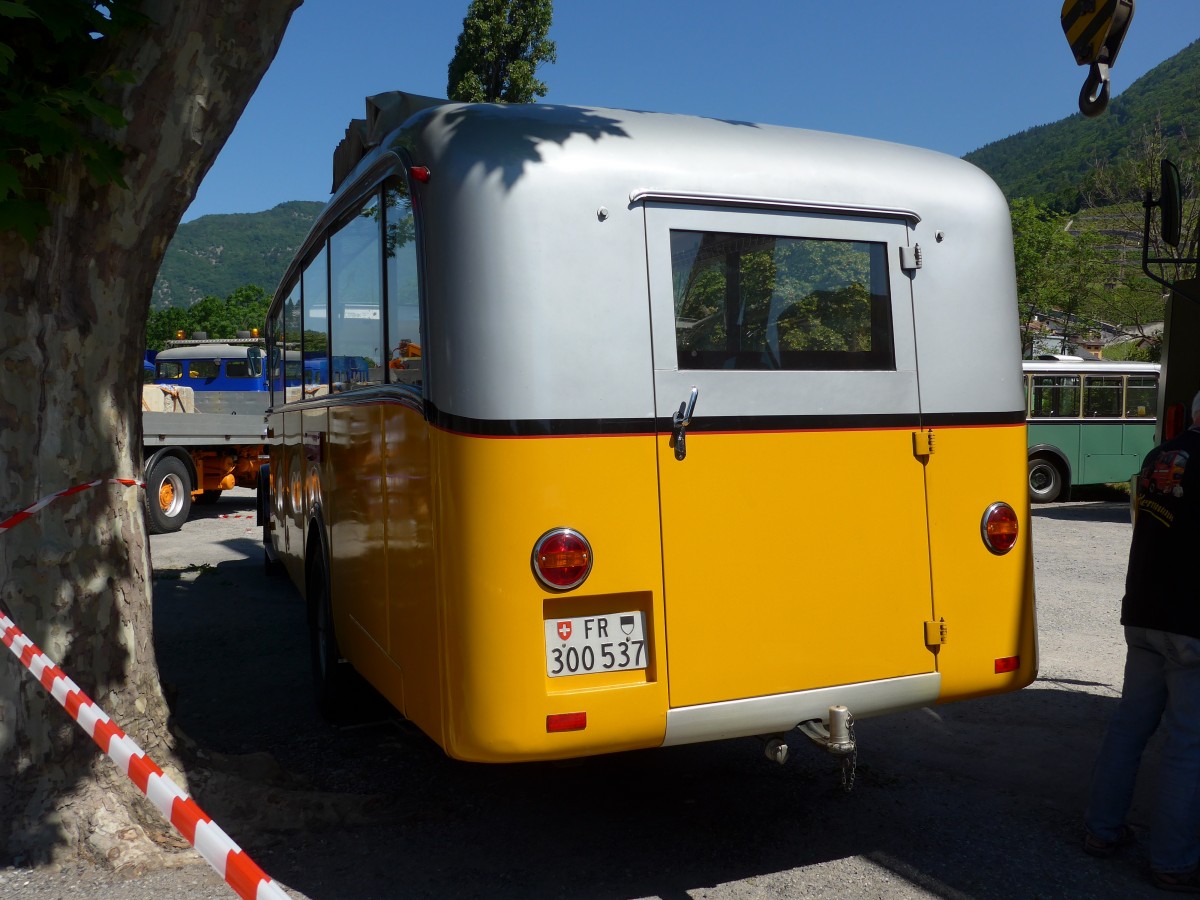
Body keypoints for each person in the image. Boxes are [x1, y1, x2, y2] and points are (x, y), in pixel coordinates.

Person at [1084, 389, 1200, 892]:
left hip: (1144, 613)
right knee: (1187, 744)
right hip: (1193, 623)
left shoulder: (1159, 456)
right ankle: (1173, 861)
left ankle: (1101, 831)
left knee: (1129, 726)